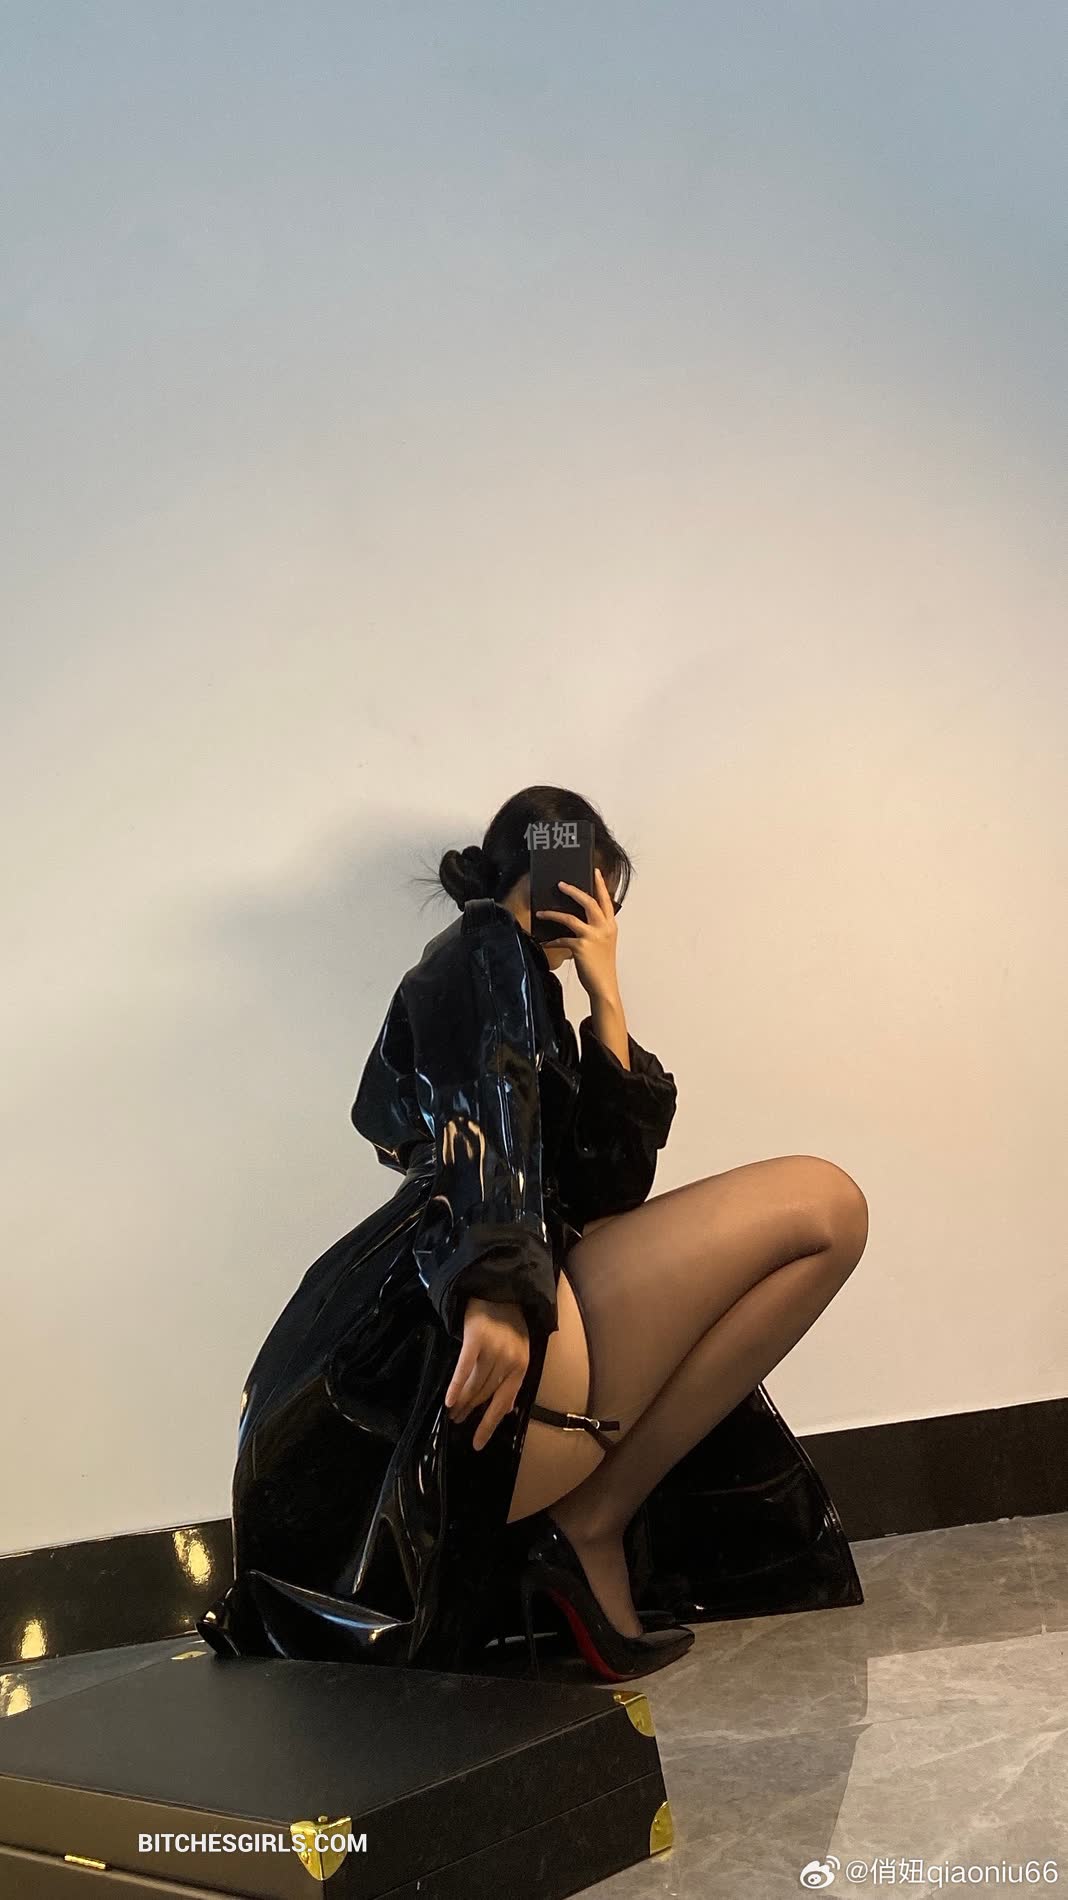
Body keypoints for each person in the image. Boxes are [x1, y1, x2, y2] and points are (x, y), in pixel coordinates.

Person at [197, 785, 868, 1683]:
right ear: (557, 869)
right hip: (465, 1330)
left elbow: (608, 1192)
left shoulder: (527, 987)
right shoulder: (481, 951)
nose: (599, 908)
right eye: (594, 884)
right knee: (827, 1207)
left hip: (515, 1303)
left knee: (827, 1214)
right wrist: (496, 1291)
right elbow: (487, 1104)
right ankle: (590, 1520)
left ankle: (592, 1522)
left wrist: (607, 999)